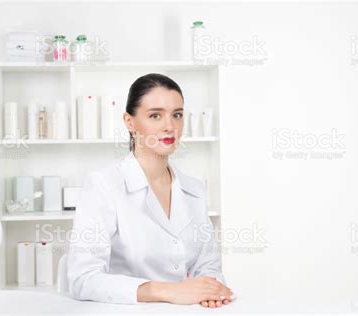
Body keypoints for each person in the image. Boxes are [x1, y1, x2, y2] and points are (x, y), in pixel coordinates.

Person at [67, 73, 234, 308]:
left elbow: (207, 266)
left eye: (177, 115)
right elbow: (82, 279)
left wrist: (212, 290)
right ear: (130, 122)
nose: (169, 126)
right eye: (155, 115)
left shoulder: (194, 189)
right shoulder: (104, 185)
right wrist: (168, 291)